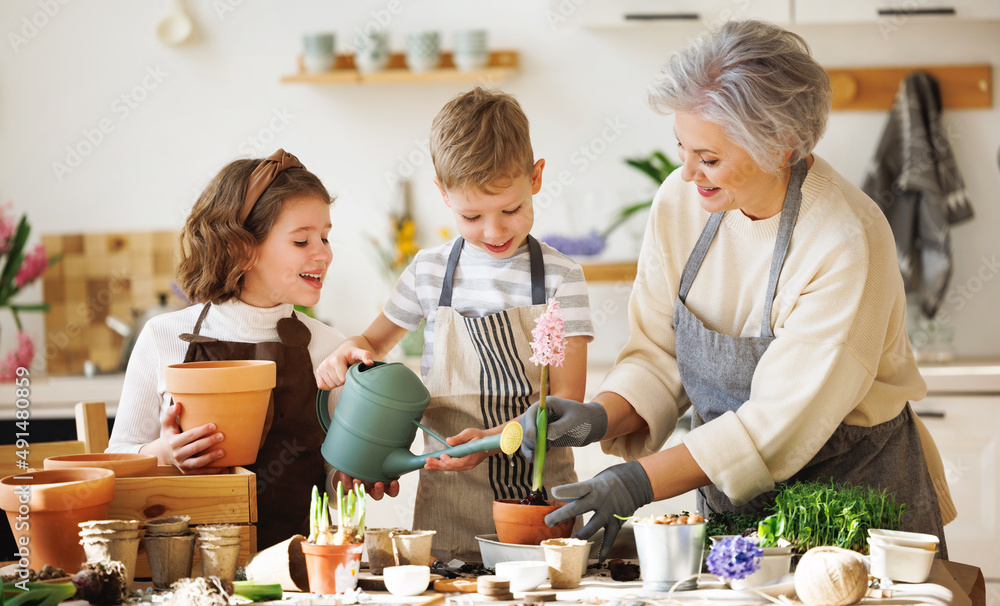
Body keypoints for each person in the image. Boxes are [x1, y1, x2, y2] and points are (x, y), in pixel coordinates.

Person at [519, 20, 955, 561]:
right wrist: (604, 413)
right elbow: (658, 354)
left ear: (782, 145)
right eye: (682, 148)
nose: (687, 174)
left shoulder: (843, 241)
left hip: (856, 511)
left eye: (709, 158)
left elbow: (772, 425)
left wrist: (636, 482)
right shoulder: (682, 206)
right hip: (735, 517)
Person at [315, 87, 596, 562]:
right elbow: (373, 342)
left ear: (536, 177)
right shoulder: (428, 273)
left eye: (511, 209)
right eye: (472, 215)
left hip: (540, 506)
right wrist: (349, 351)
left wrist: (491, 443)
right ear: (442, 194)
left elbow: (568, 403)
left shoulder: (561, 278)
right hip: (449, 502)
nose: (494, 231)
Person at [107, 150, 389, 550]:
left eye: (325, 236)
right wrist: (164, 453)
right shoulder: (162, 337)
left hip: (297, 569)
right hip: (183, 571)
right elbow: (117, 463)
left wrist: (353, 476)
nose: (324, 252)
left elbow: (333, 479)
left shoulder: (328, 346)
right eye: (301, 239)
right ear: (241, 247)